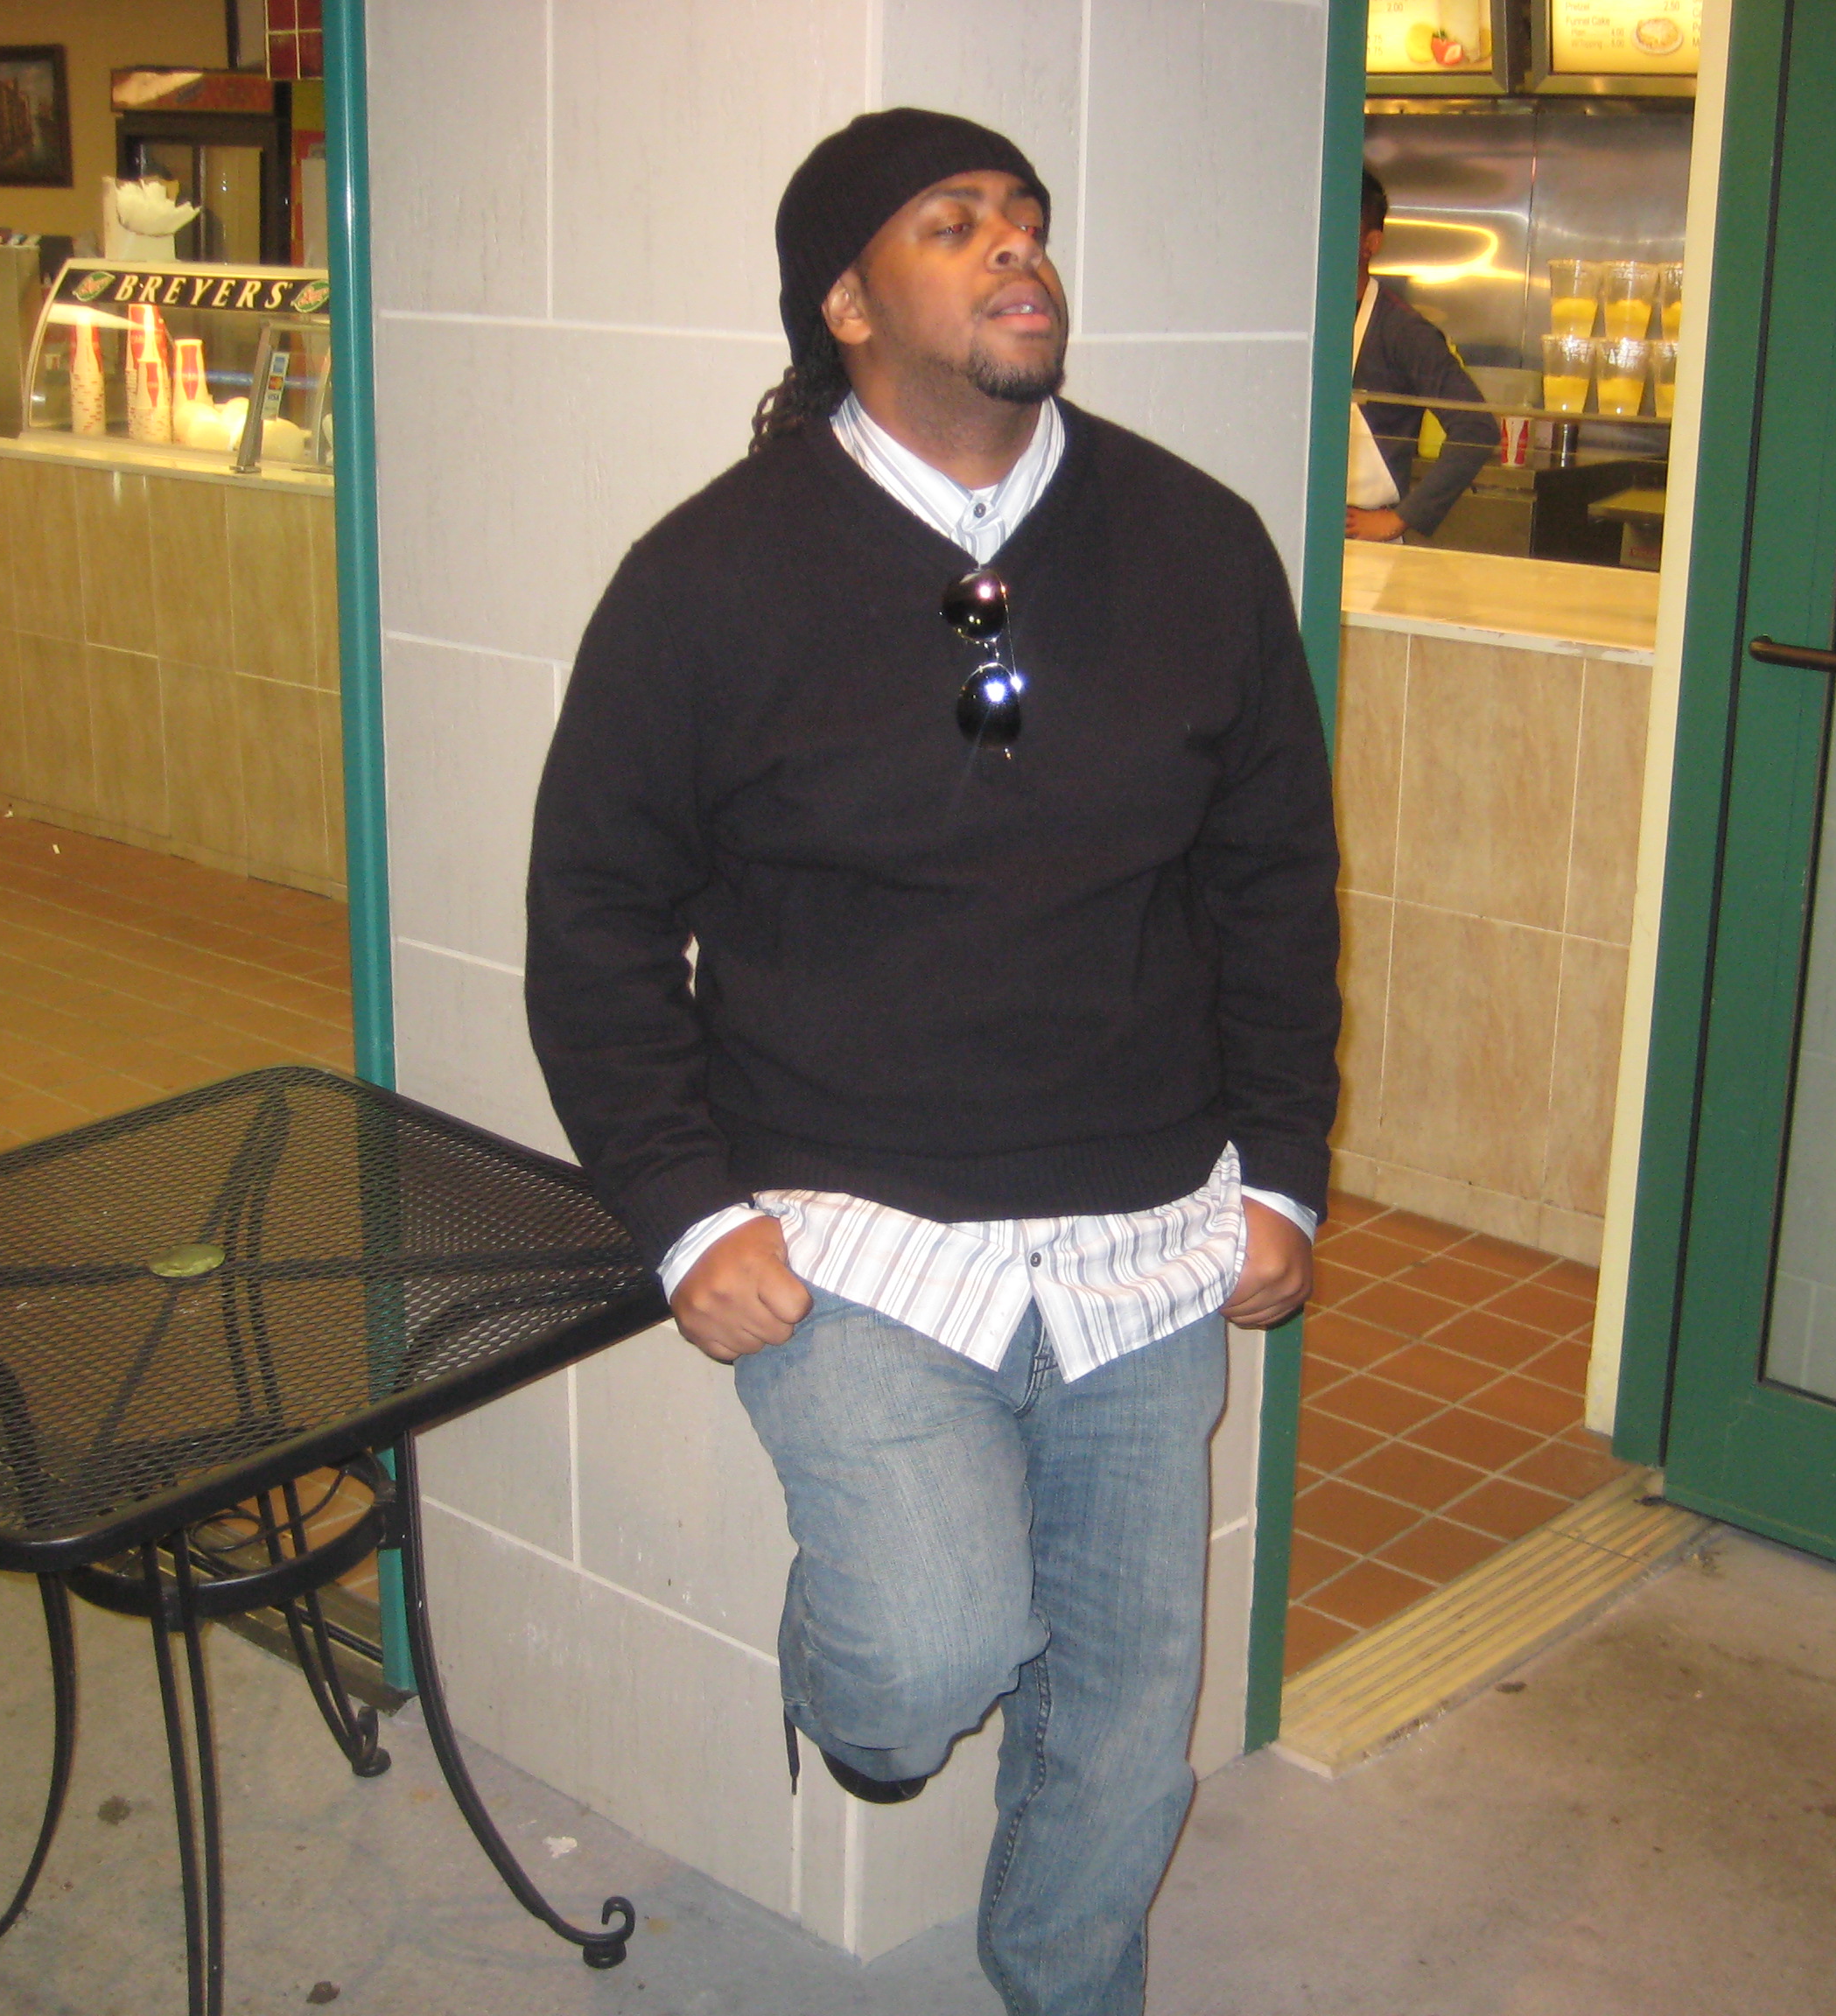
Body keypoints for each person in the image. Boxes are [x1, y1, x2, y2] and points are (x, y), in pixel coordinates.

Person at [526, 108, 1342, 2016]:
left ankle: (1068, 1991)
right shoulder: (710, 577)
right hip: (848, 1229)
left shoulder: (1196, 541)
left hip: (1146, 1221)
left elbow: (1273, 881)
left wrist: (1285, 1169)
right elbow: (595, 916)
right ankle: (858, 1705)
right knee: (929, 1651)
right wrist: (682, 1213)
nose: (1014, 249)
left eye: (1026, 219)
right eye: (953, 223)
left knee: (1126, 1712)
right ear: (844, 303)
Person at [1347, 167, 1499, 543]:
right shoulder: (1299, 324)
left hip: (1365, 545)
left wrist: (1399, 519)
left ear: (1371, 242)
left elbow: (1476, 428)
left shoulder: (1402, 331)